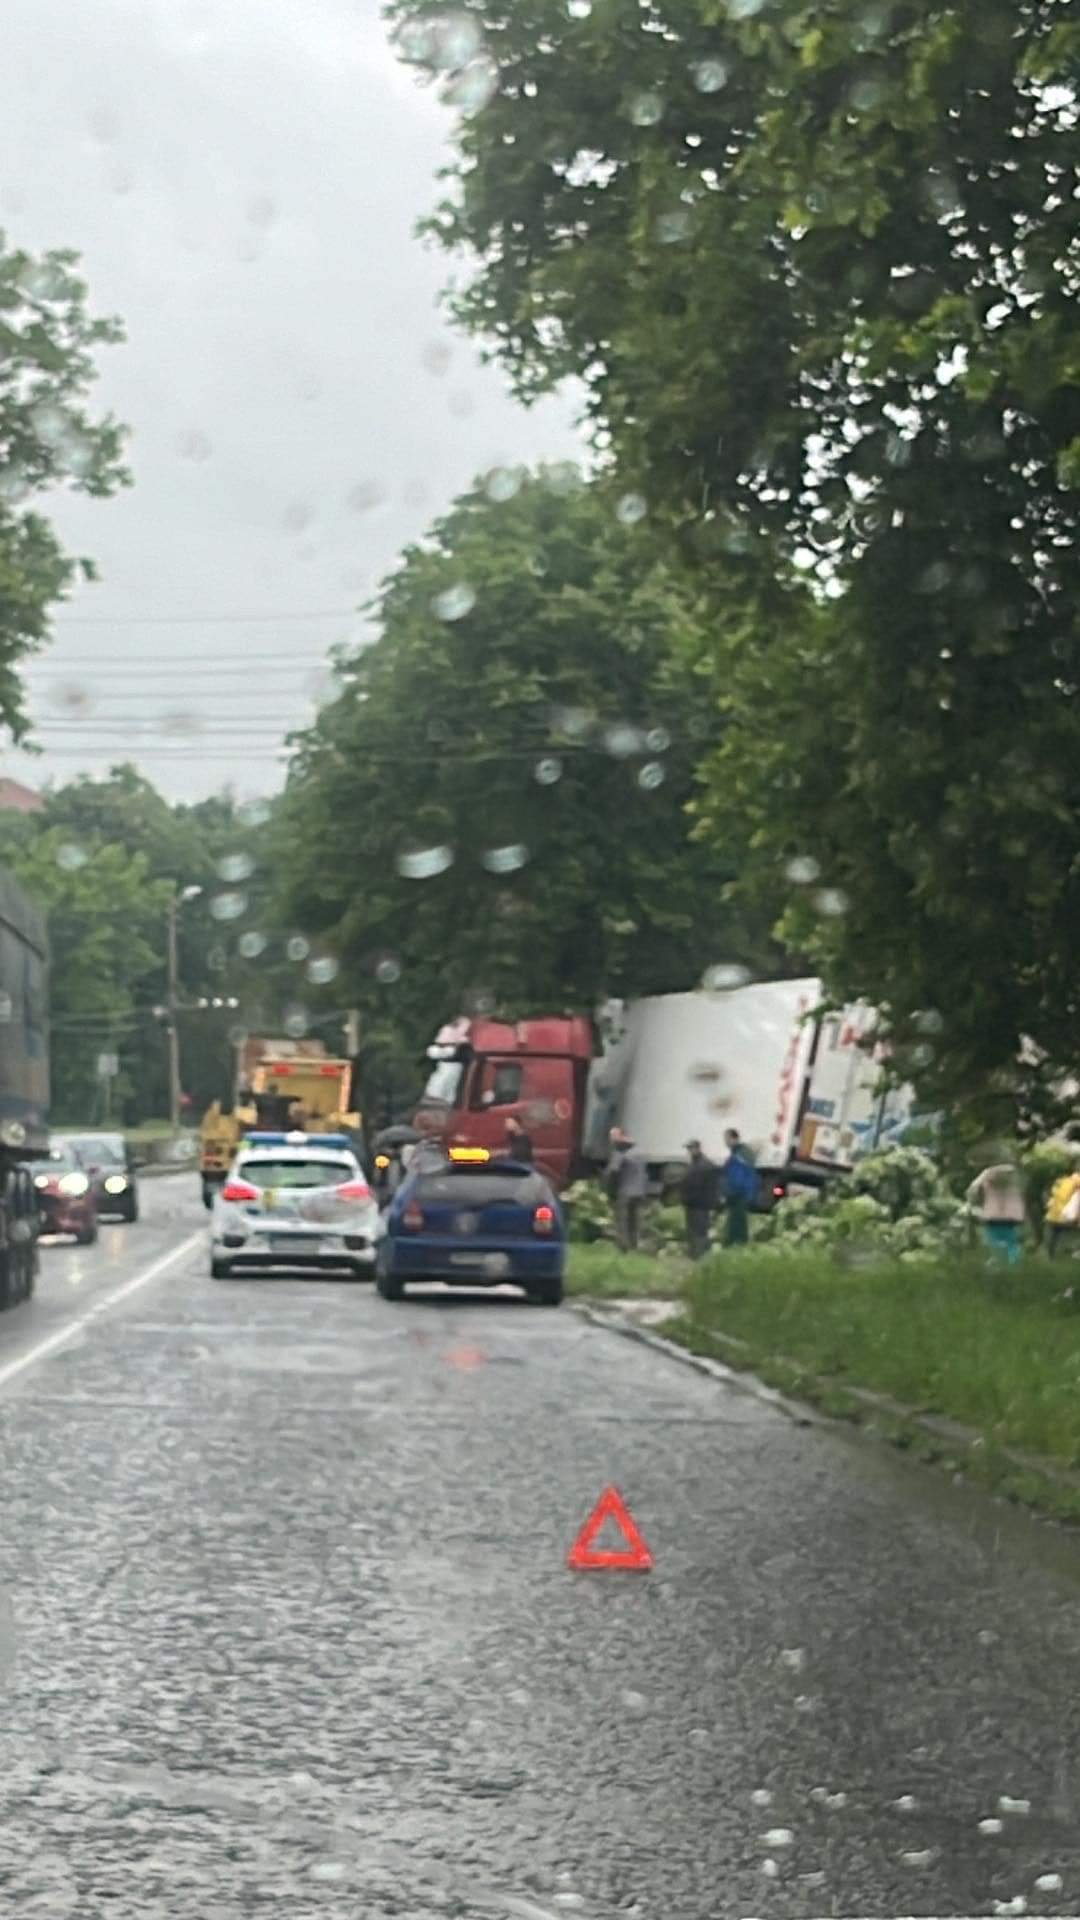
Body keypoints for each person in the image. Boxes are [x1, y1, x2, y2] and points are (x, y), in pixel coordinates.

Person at [966, 1159, 1026, 1264]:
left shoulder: (988, 1177)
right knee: (1012, 1243)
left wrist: (987, 1172)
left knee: (993, 1243)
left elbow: (972, 1188)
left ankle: (996, 1265)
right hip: (1012, 1216)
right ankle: (1013, 1266)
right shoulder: (1015, 1177)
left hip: (992, 1216)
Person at [605, 1126, 648, 1251]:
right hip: (639, 1191)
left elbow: (613, 1171)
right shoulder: (638, 1150)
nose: (611, 1139)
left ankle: (623, 1247)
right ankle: (635, 1245)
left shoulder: (620, 1150)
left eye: (613, 1136)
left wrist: (608, 1186)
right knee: (635, 1220)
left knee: (622, 1220)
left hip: (625, 1191)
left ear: (621, 1136)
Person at [682, 1139, 719, 1259]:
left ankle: (699, 1256)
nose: (689, 1151)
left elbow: (699, 1186)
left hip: (699, 1204)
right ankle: (696, 1254)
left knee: (699, 1231)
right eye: (688, 1149)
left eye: (691, 1148)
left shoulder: (703, 1165)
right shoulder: (696, 1163)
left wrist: (687, 1198)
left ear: (697, 1148)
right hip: (694, 1204)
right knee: (695, 1230)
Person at [722, 1128, 758, 1247]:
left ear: (734, 1139)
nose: (725, 1142)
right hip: (737, 1193)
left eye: (727, 1139)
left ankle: (738, 1245)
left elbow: (740, 1176)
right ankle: (735, 1245)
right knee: (735, 1222)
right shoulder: (737, 1153)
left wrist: (731, 1192)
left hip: (740, 1194)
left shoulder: (741, 1154)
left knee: (738, 1222)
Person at [1045, 1166, 1080, 1257]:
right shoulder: (1076, 1181)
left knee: (1054, 1233)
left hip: (1054, 1213)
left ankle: (1051, 1253)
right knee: (1060, 1232)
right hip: (1066, 1214)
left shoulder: (1059, 1181)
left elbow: (1052, 1193)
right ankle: (1072, 1250)